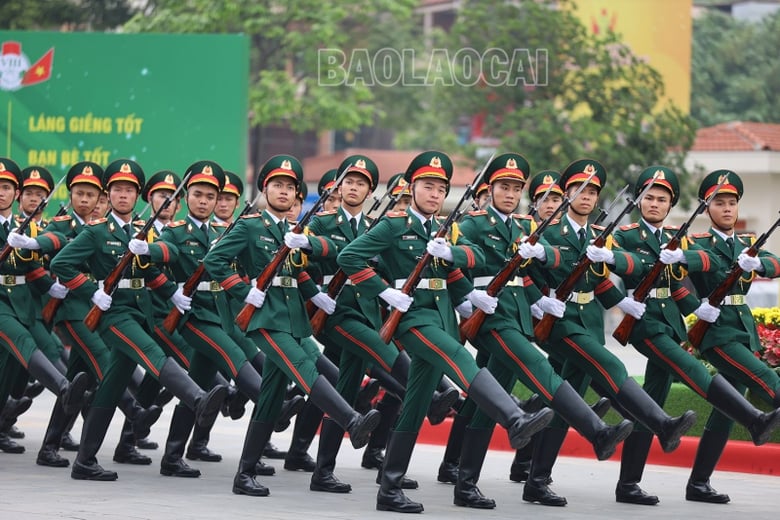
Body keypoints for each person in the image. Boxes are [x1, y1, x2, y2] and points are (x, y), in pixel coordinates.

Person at [337, 151, 555, 513]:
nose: (435, 194)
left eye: (441, 188)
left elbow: (479, 259)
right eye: (428, 186)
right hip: (411, 320)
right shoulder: (394, 224)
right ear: (412, 187)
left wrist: (454, 259)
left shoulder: (443, 231)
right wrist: (385, 291)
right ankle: (514, 418)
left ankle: (389, 489)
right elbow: (349, 258)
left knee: (416, 403)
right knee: (458, 359)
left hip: (441, 319)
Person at [586, 165, 780, 505]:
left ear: (671, 203)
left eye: (662, 199)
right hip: (644, 320)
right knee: (691, 372)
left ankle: (638, 484)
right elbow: (622, 264)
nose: (655, 204)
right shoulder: (630, 234)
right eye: (649, 198)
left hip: (673, 323)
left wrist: (695, 308)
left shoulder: (680, 238)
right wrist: (622, 297)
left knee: (652, 403)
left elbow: (675, 281)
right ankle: (754, 419)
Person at [452, 153, 633, 509]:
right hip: (492, 319)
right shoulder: (471, 223)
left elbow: (533, 269)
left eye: (516, 188)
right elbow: (448, 263)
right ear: (490, 189)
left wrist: (538, 301)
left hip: (519, 316)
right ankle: (596, 431)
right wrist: (467, 295)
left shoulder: (522, 227)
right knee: (541, 371)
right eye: (504, 187)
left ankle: (466, 482)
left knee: (486, 404)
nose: (510, 193)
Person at [203, 154, 381, 497]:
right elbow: (214, 261)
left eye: (290, 187)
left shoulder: (292, 230)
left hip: (293, 318)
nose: (284, 192)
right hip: (265, 318)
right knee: (302, 366)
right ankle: (351, 420)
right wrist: (244, 290)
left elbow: (298, 271)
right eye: (277, 185)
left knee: (270, 396)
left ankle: (245, 472)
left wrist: (315, 296)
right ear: (265, 188)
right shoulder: (250, 225)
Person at [523, 159, 697, 506]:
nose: (586, 196)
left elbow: (597, 282)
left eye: (592, 191)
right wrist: (539, 300)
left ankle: (537, 481)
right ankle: (662, 424)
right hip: (560, 322)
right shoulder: (549, 231)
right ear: (566, 193)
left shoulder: (595, 237)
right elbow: (525, 271)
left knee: (565, 402)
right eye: (579, 190)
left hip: (587, 321)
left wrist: (623, 304)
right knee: (612, 367)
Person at [50, 158, 227, 481]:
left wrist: (172, 292)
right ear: (109, 193)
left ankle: (85, 461)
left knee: (111, 386)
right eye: (117, 189)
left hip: (140, 310)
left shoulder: (139, 234)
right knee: (154, 353)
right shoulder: (97, 231)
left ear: (137, 197)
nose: (123, 196)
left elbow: (149, 271)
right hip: (114, 314)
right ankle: (196, 397)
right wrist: (91, 291)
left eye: (129, 191)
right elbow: (62, 263)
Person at [8, 162, 161, 468]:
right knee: (104, 359)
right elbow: (54, 241)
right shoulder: (67, 223)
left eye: (92, 195)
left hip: (99, 309)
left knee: (78, 377)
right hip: (75, 309)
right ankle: (134, 412)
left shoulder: (107, 227)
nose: (85, 200)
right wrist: (37, 246)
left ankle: (51, 445)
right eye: (80, 193)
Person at [683, 169, 780, 503]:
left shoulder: (747, 246)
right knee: (769, 382)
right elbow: (688, 265)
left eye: (732, 203)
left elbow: (776, 263)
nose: (727, 209)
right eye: (719, 202)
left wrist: (757, 265)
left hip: (741, 332)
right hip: (716, 334)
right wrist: (699, 305)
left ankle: (698, 484)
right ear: (706, 207)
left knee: (726, 410)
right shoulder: (697, 243)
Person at [0, 158, 90, 455]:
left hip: (22, 302)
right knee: (26, 344)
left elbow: (36, 259)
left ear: (15, 192)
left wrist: (49, 283)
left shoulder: (20, 229)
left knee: (9, 369)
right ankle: (63, 387)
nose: (2, 193)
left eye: (7, 187)